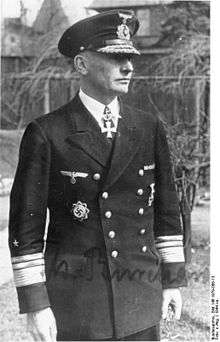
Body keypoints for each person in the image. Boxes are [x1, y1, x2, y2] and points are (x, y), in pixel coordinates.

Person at [9, 9, 187, 342]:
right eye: (116, 57)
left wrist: (173, 280)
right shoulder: (47, 133)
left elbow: (167, 211)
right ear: (81, 65)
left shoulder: (148, 128)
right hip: (78, 304)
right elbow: (26, 228)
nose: (129, 66)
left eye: (130, 57)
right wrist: (36, 304)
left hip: (141, 297)